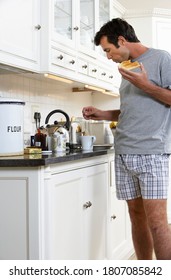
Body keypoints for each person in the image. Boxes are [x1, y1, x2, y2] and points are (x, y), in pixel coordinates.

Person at [82, 18, 171, 260]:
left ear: (121, 40)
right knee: (136, 216)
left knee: (157, 222)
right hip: (124, 153)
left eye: (108, 50)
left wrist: (145, 84)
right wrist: (102, 114)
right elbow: (132, 110)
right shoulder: (127, 68)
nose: (108, 57)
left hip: (152, 152)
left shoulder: (161, 58)